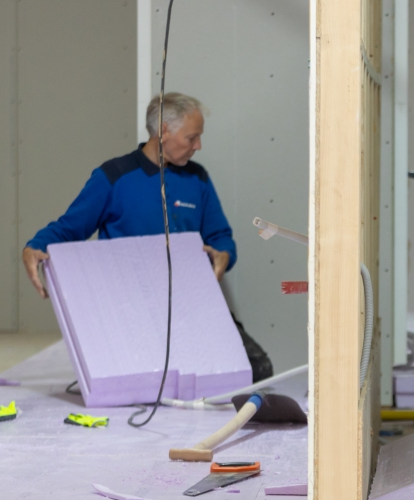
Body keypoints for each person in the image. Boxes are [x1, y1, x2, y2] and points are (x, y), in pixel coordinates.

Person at [21, 92, 273, 383]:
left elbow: (221, 237)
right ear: (164, 131)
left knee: (259, 370)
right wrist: (34, 246)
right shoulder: (113, 177)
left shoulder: (198, 178)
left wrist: (223, 255)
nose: (198, 146)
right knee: (147, 382)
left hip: (191, 301)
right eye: (192, 138)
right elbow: (69, 228)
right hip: (130, 307)